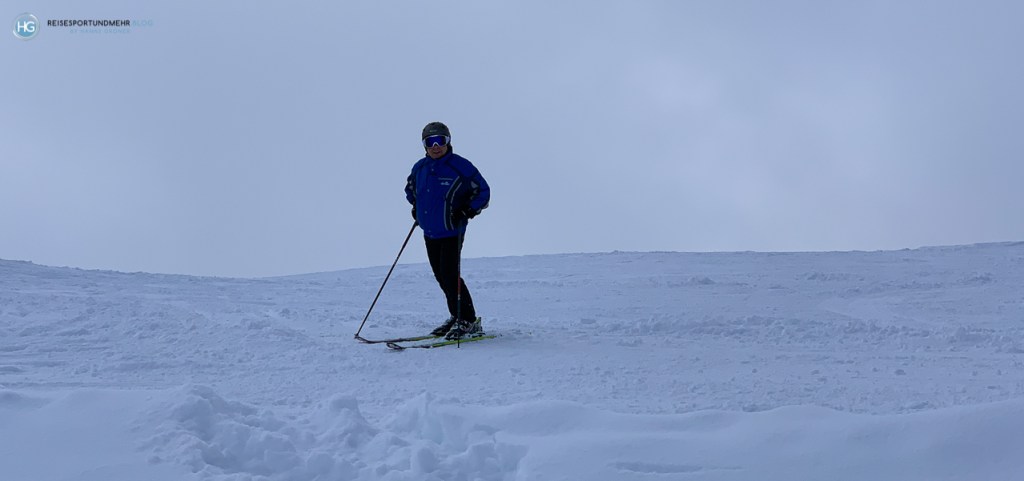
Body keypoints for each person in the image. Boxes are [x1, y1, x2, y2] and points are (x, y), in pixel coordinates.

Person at [405, 122, 490, 340]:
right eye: (430, 142)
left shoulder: (460, 166)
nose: (436, 146)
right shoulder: (420, 168)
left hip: (452, 230)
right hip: (429, 231)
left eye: (440, 141)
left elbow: (482, 191)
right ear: (424, 145)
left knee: (450, 276)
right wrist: (417, 208)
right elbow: (411, 189)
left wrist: (467, 210)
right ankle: (456, 315)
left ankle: (469, 321)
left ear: (448, 141)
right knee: (441, 276)